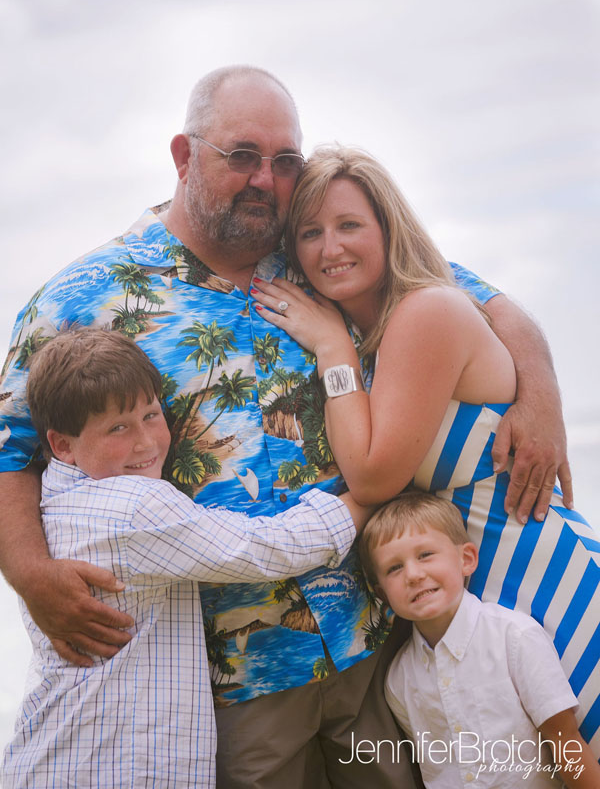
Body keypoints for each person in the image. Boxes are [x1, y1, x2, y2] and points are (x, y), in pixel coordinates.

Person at [0, 66, 574, 788]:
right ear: (184, 156)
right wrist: (25, 570)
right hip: (240, 676)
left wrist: (541, 398)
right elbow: (11, 446)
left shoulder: (314, 251)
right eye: (241, 155)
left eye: (284, 162)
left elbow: (481, 301)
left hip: (378, 641)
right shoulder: (84, 297)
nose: (265, 180)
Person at [252, 144, 600, 757]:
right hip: (488, 595)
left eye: (350, 225)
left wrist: (332, 349)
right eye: (310, 233)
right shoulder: (380, 336)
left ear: (389, 229)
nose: (330, 248)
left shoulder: (425, 312)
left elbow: (374, 475)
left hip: (547, 574)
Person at [1, 329, 370, 789]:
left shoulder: (53, 502)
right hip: (110, 767)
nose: (145, 442)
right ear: (62, 445)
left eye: (151, 415)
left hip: (64, 755)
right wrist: (371, 495)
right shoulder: (132, 506)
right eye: (118, 427)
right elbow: (268, 547)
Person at [358, 491, 600, 788]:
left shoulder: (514, 637)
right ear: (382, 594)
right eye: (394, 568)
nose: (413, 574)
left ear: (466, 559)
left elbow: (565, 742)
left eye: (425, 555)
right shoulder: (398, 679)